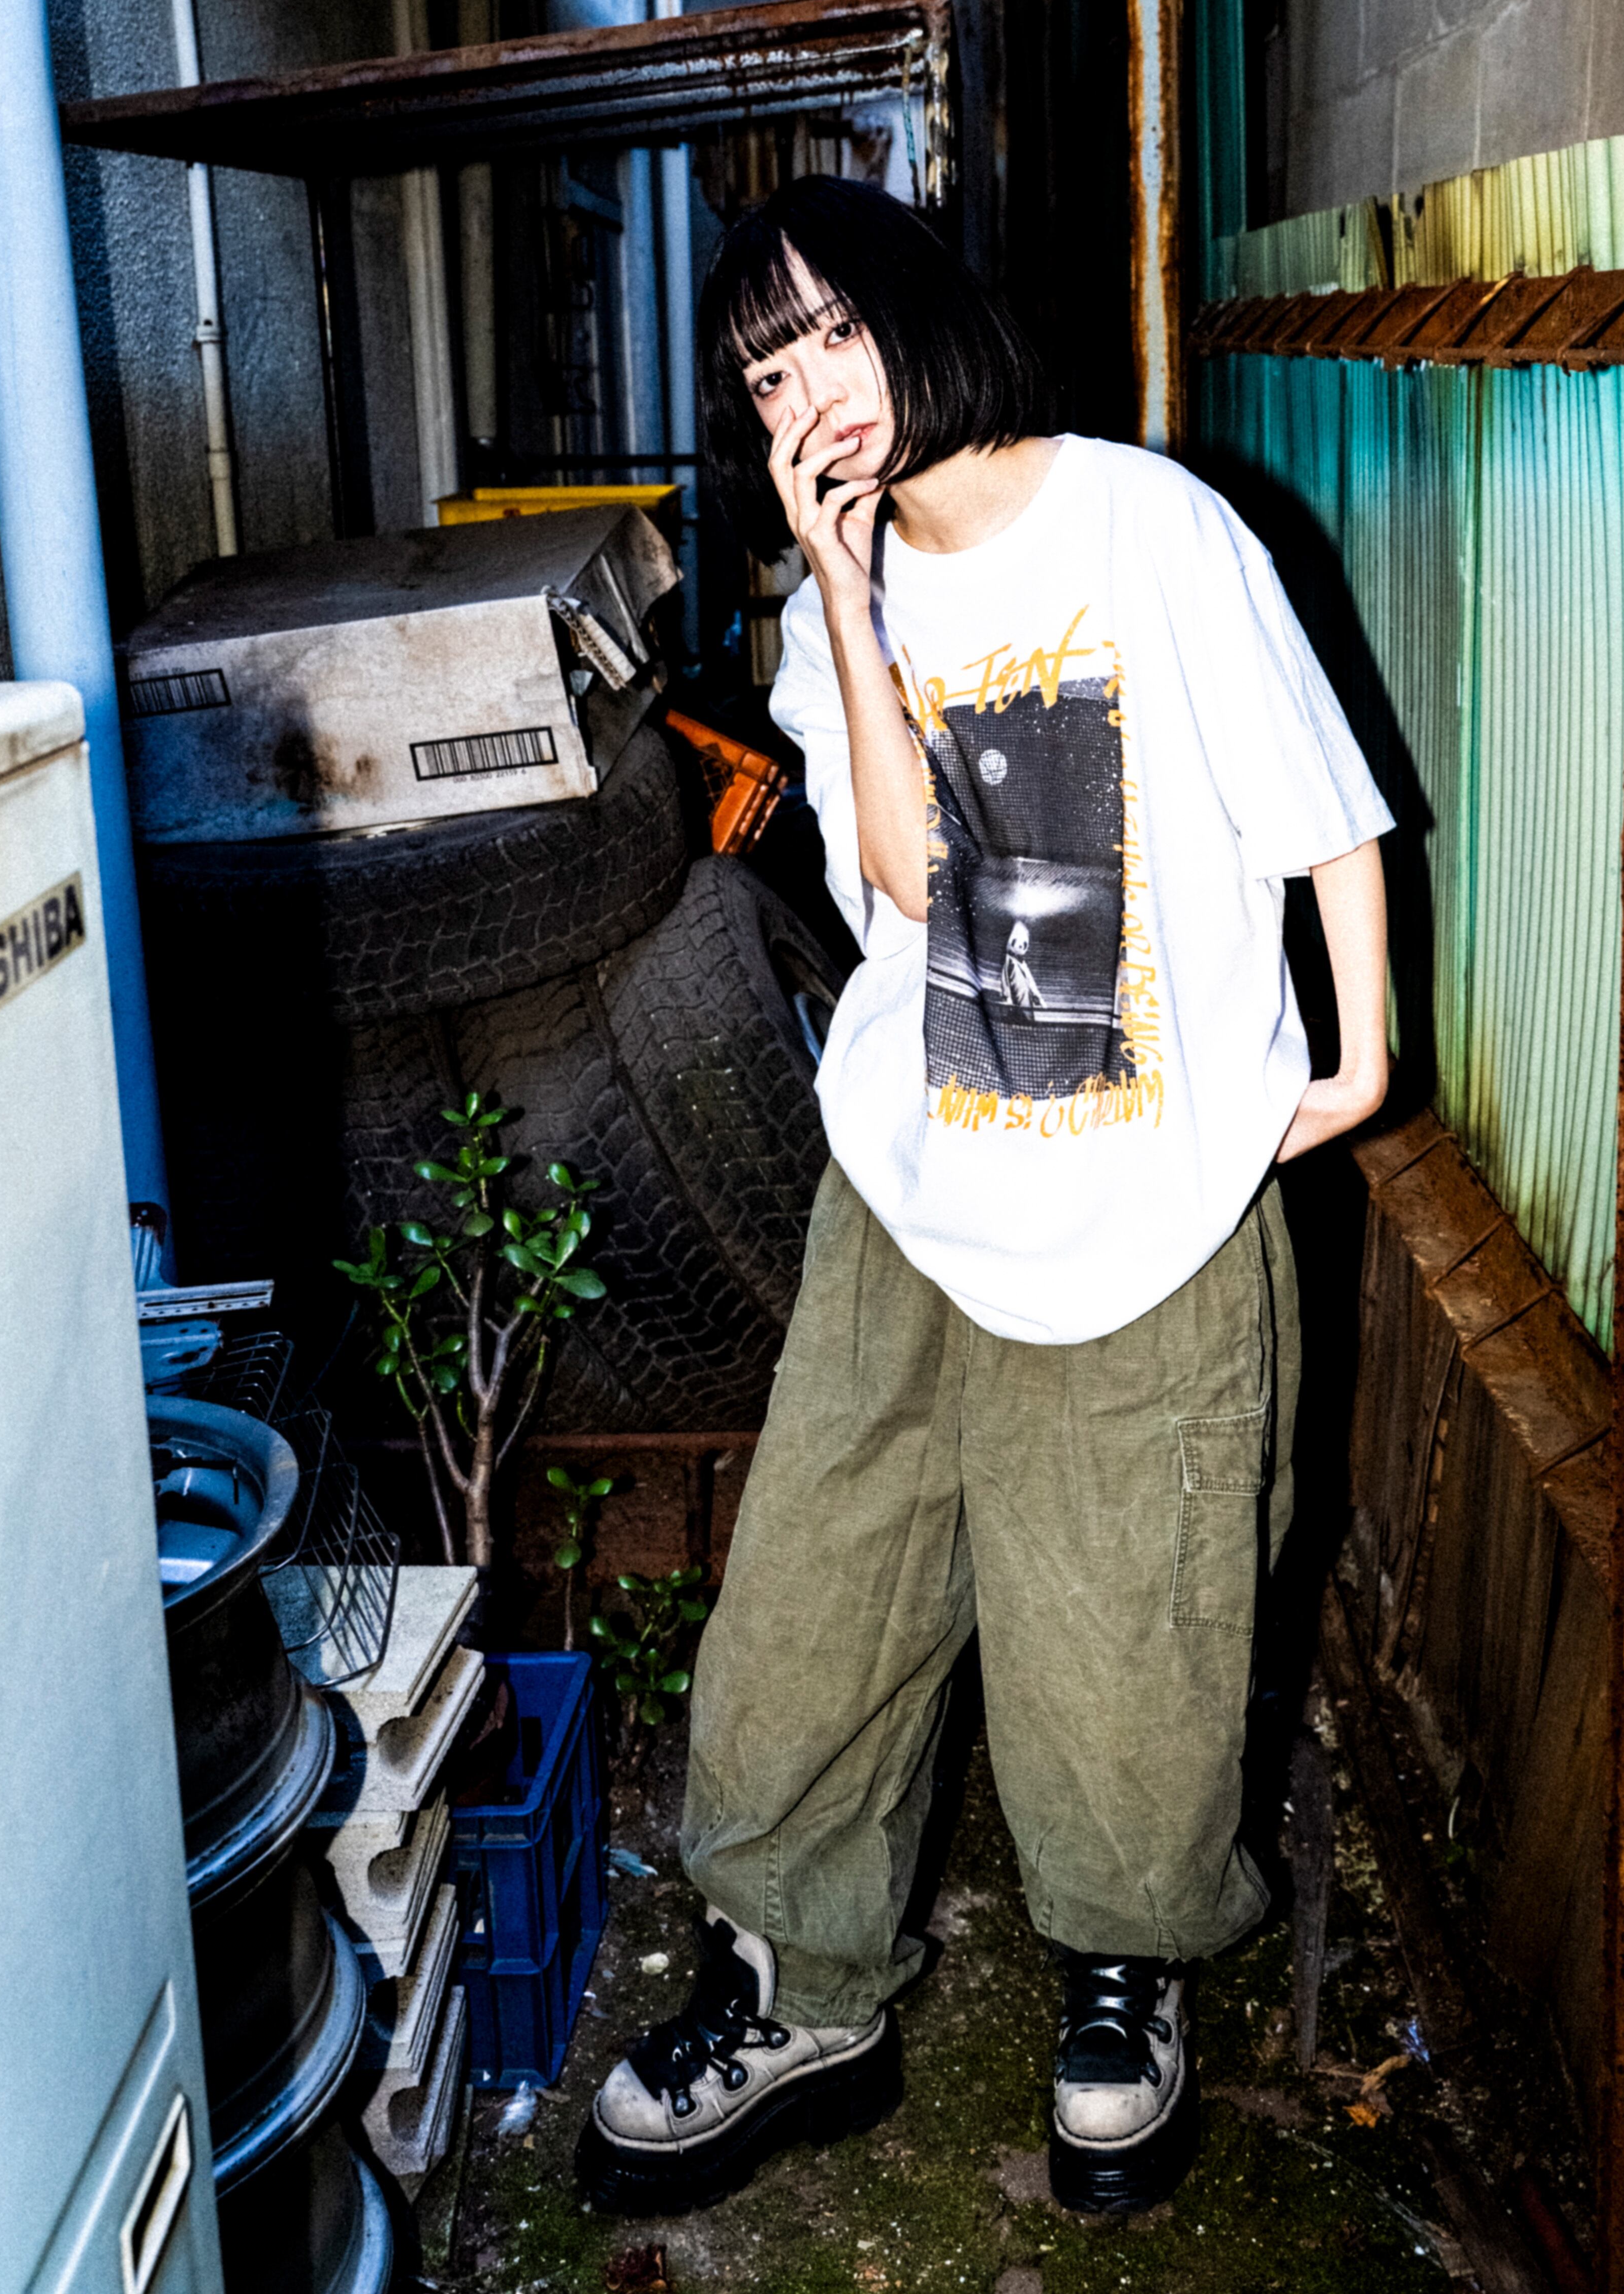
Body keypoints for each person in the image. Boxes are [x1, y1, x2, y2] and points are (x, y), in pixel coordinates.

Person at [579, 177, 1392, 2221]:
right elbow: (906, 882)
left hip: (1148, 1201)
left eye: (832, 334)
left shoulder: (1150, 525)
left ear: (920, 310)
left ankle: (1123, 1977)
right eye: (768, 373)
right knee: (814, 1596)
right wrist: (847, 604)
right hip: (916, 1180)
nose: (812, 391)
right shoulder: (827, 605)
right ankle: (800, 1989)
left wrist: (1365, 1056)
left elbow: (1319, 803)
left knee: (1133, 1617)